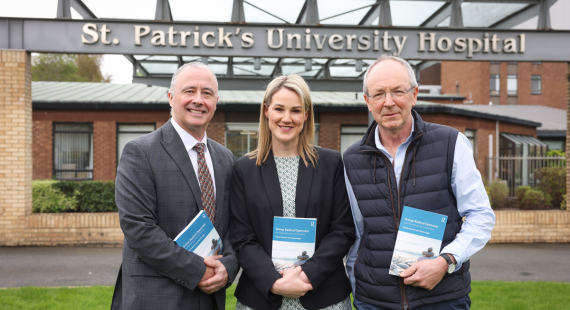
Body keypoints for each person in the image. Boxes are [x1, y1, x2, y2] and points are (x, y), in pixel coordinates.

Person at [343, 55, 496, 310]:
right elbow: (356, 236)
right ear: (368, 102)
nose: (389, 102)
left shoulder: (451, 143)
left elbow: (480, 215)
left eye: (397, 91)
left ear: (414, 94)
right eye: (379, 94)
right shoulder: (351, 159)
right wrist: (360, 294)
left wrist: (446, 261)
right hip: (374, 302)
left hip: (442, 298)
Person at [111, 62, 239, 310]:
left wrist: (229, 266)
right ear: (171, 97)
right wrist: (197, 270)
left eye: (207, 93)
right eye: (189, 91)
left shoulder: (225, 158)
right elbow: (138, 228)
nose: (198, 100)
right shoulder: (140, 152)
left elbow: (234, 225)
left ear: (216, 101)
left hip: (211, 297)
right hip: (157, 296)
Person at [230, 74, 355, 310]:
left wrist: (306, 275)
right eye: (279, 109)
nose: (287, 118)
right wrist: (275, 283)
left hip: (323, 295)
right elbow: (242, 238)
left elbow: (343, 230)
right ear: (266, 111)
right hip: (262, 296)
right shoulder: (244, 169)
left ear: (306, 115)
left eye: (296, 110)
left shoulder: (330, 163)